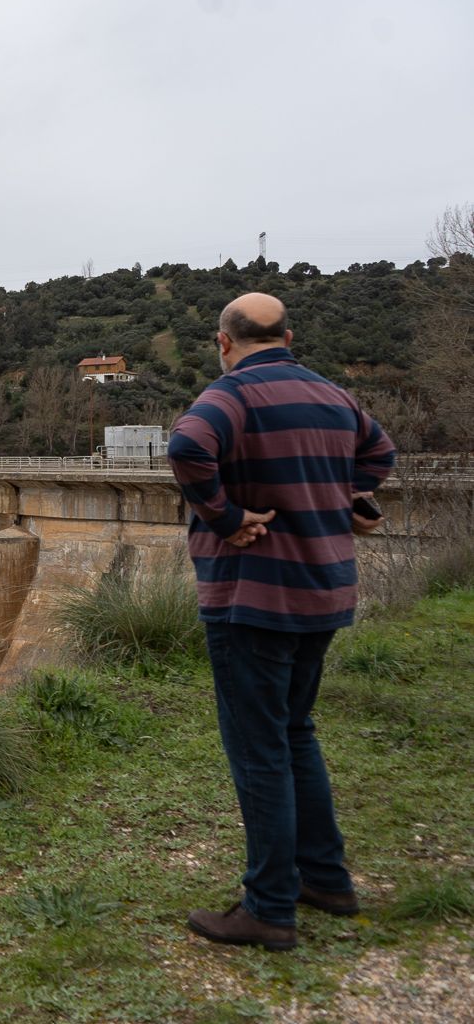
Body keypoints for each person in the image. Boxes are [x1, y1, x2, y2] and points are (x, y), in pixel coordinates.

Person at [167, 292, 396, 951]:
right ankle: (325, 879)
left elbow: (187, 449)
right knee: (296, 733)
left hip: (251, 600)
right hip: (323, 591)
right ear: (288, 335)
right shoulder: (333, 397)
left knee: (260, 749)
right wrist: (350, 497)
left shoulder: (230, 396)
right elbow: (380, 456)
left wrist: (229, 518)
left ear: (224, 341)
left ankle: (269, 908)